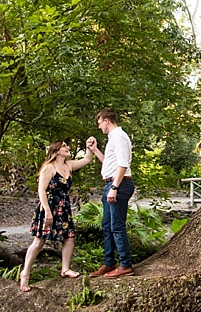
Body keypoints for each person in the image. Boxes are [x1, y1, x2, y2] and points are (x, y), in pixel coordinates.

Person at [18, 139, 94, 292]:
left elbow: (87, 159)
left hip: (63, 207)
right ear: (56, 150)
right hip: (49, 206)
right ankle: (25, 274)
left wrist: (90, 146)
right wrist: (47, 211)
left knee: (69, 237)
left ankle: (65, 269)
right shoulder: (49, 168)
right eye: (64, 146)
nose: (67, 148)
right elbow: (41, 191)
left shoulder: (69, 165)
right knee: (39, 241)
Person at [87, 108, 135, 278]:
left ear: (106, 121)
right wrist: (94, 150)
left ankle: (125, 264)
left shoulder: (119, 136)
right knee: (107, 225)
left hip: (119, 184)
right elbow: (109, 163)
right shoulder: (112, 138)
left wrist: (114, 187)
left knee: (117, 225)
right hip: (111, 183)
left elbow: (123, 164)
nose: (99, 127)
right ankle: (108, 263)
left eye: (99, 123)